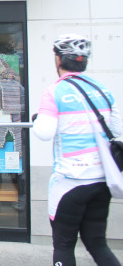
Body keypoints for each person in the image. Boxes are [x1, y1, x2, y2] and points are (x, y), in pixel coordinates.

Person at [32, 34, 122, 266]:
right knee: (97, 243)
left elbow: (44, 132)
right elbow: (118, 128)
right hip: (102, 181)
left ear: (58, 60)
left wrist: (38, 119)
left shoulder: (54, 92)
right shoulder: (102, 89)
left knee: (63, 244)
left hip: (70, 181)